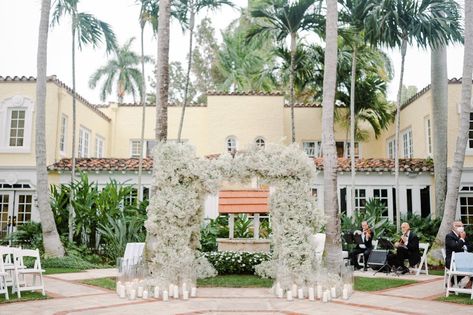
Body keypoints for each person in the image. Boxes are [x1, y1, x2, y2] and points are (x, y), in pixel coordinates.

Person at [445, 221, 472, 288]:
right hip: (452, 261)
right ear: (453, 227)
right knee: (465, 266)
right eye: (458, 226)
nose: (461, 227)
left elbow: (470, 247)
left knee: (468, 266)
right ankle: (452, 282)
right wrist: (462, 239)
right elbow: (455, 247)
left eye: (462, 226)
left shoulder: (464, 235)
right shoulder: (449, 236)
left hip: (465, 260)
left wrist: (464, 247)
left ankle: (470, 283)